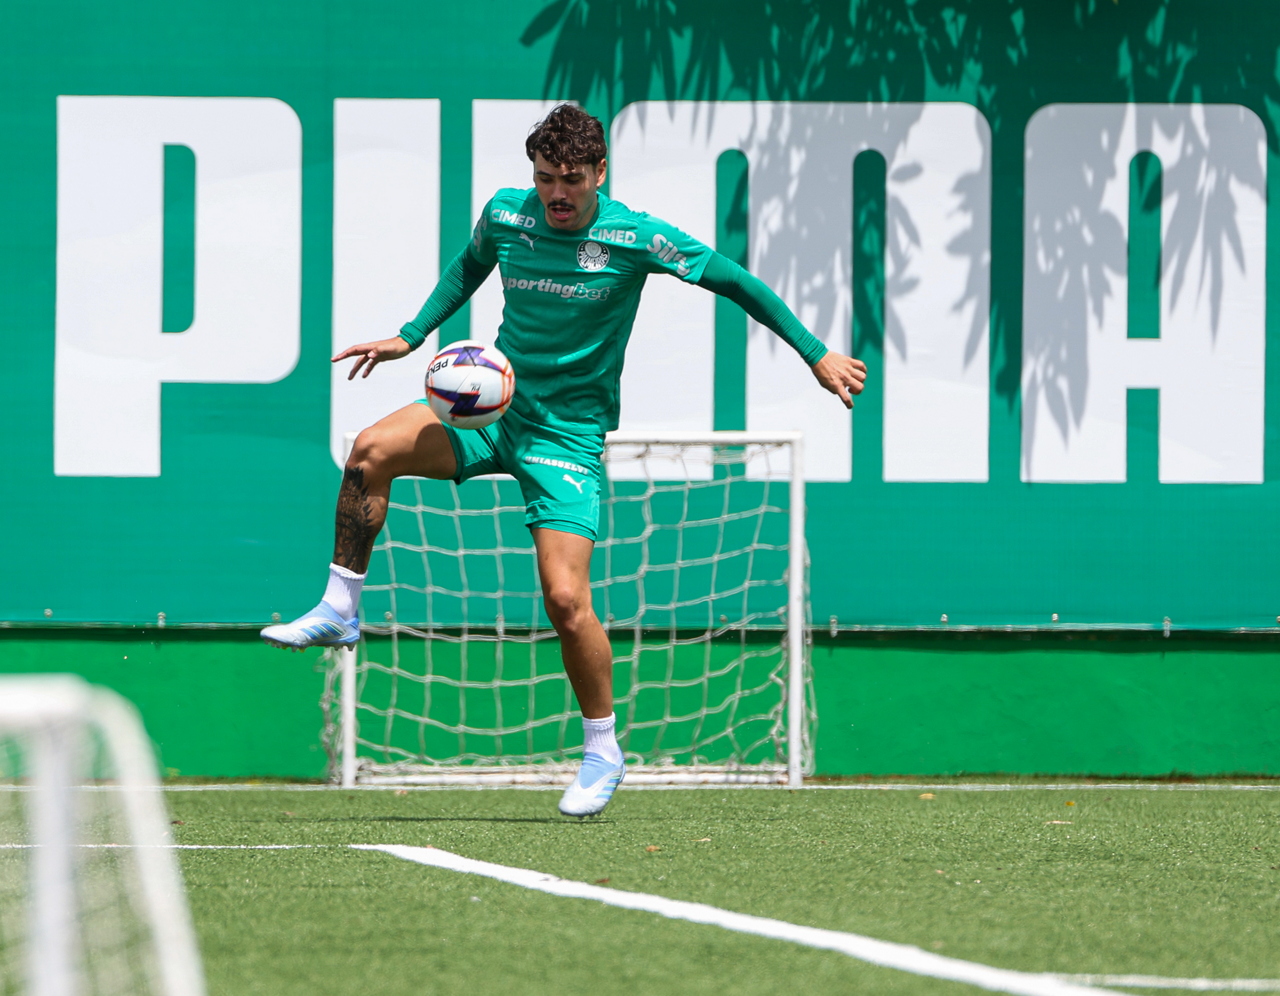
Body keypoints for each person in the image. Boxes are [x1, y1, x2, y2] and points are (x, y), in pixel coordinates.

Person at [261, 104, 867, 816]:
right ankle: (341, 606)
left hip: (567, 438)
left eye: (571, 179)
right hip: (493, 408)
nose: (556, 192)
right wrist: (411, 335)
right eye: (545, 176)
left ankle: (603, 749)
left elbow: (737, 282)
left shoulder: (636, 237)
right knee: (370, 450)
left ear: (599, 173)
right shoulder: (506, 214)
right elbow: (470, 266)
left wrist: (816, 353)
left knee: (566, 602)